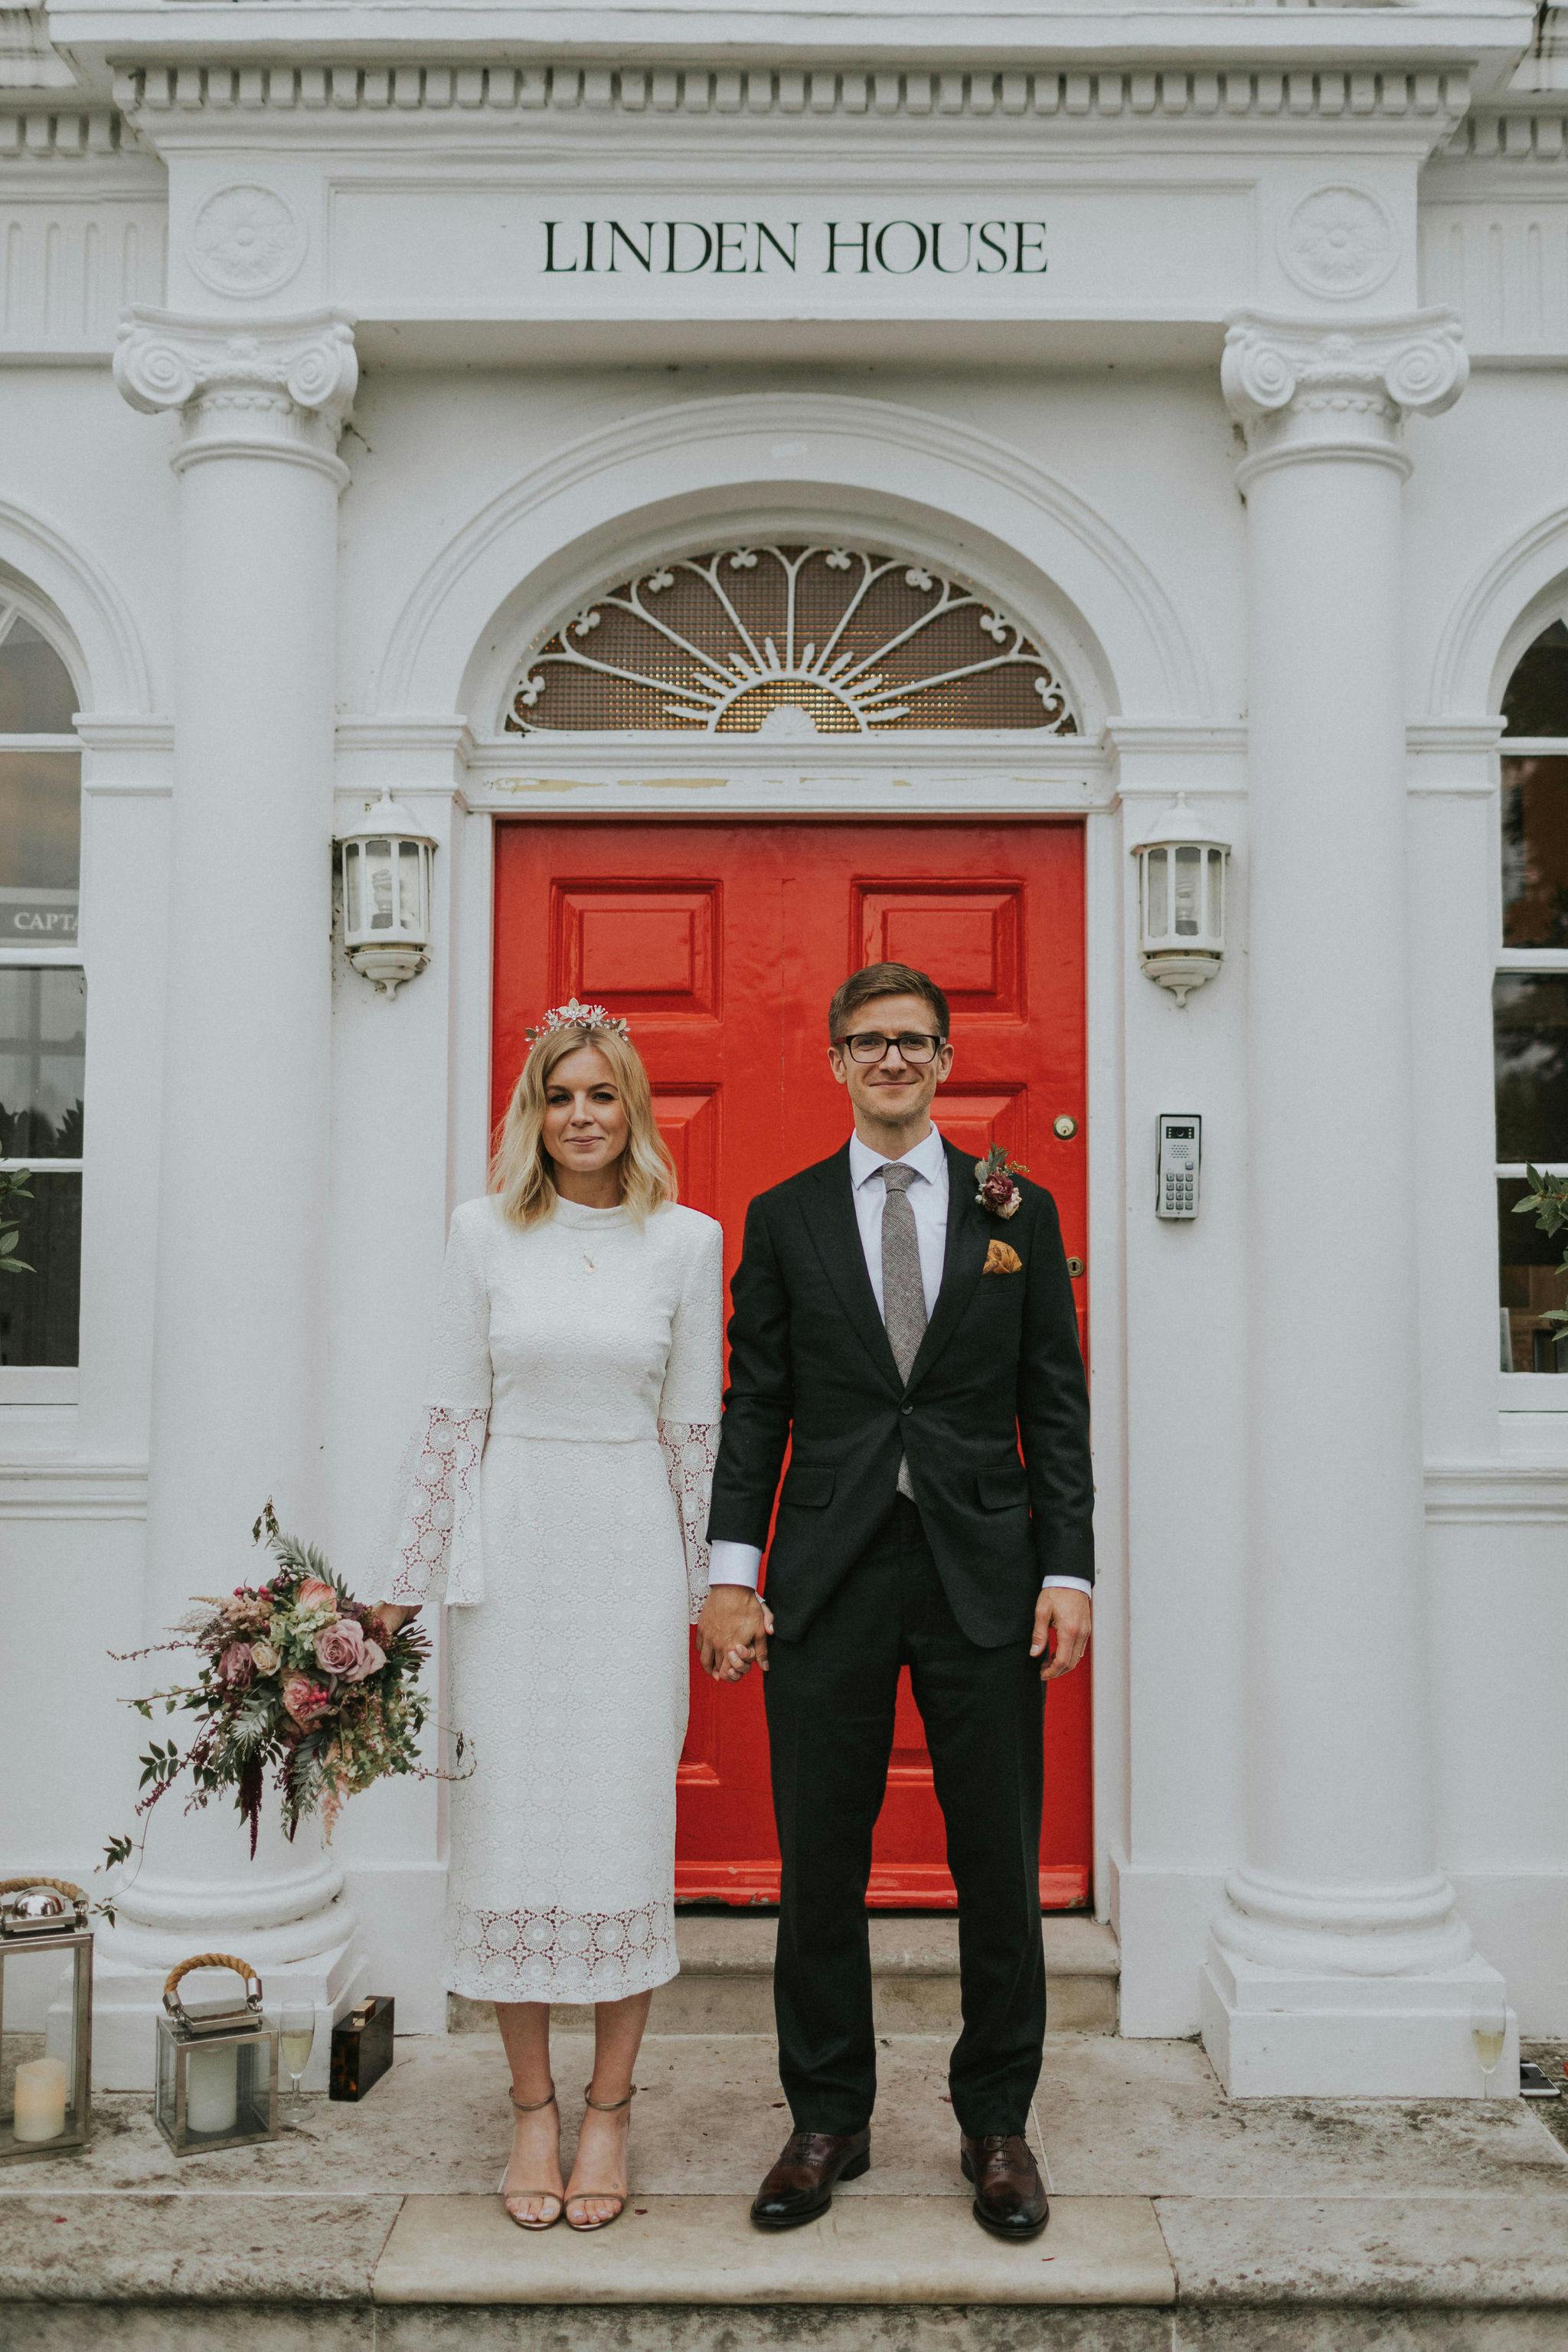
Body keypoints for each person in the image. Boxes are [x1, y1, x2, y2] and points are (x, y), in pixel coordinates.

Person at [697, 961, 1093, 2243]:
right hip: (829, 1568)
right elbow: (758, 1403)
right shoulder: (786, 1214)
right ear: (834, 1061)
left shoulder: (1015, 1207)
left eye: (914, 1041)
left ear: (944, 1058)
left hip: (984, 1565)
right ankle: (828, 2117)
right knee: (820, 1858)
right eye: (868, 1042)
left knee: (998, 1858)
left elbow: (1055, 1402)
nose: (892, 1061)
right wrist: (729, 1574)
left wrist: (1068, 1568)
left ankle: (996, 2123)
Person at [374, 1000, 724, 2233]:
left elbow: (696, 1435)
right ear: (536, 1111)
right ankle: (532, 2110)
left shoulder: (688, 1241)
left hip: (628, 1559)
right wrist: (396, 1600)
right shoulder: (482, 1235)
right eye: (561, 1096)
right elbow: (449, 1417)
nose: (583, 1117)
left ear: (633, 1108)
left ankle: (611, 2109)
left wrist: (713, 1594)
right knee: (513, 1827)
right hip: (512, 1562)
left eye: (603, 1095)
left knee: (621, 1826)